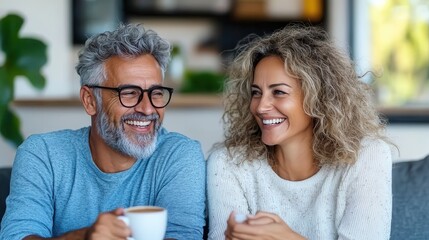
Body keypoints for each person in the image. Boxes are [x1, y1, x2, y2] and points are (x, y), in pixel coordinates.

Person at [0, 23, 206, 239]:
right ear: (90, 101)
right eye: (128, 92)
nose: (147, 109)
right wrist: (84, 236)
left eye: (156, 93)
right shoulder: (43, 155)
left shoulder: (178, 155)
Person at [207, 25, 393, 240]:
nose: (260, 106)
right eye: (256, 93)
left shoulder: (367, 156)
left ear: (320, 98)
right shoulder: (228, 164)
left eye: (278, 92)